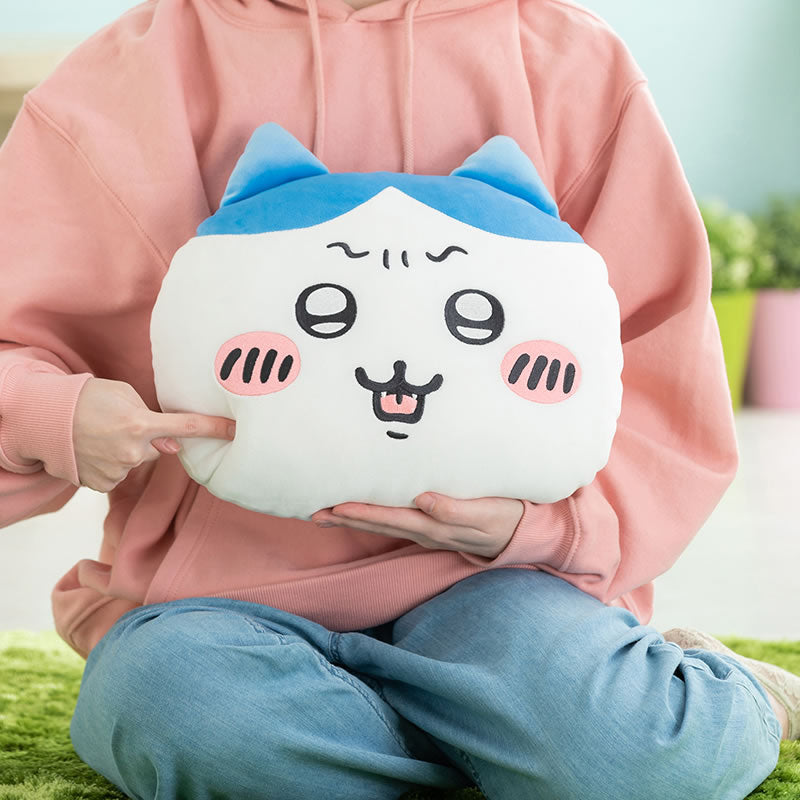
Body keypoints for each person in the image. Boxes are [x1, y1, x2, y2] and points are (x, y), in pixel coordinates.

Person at [0, 0, 796, 798]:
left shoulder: (568, 61)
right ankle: (497, 741)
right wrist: (53, 414)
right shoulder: (129, 75)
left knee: (641, 756)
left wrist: (545, 526)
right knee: (170, 708)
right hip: (217, 606)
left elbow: (659, 361)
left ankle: (726, 697)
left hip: (504, 583)